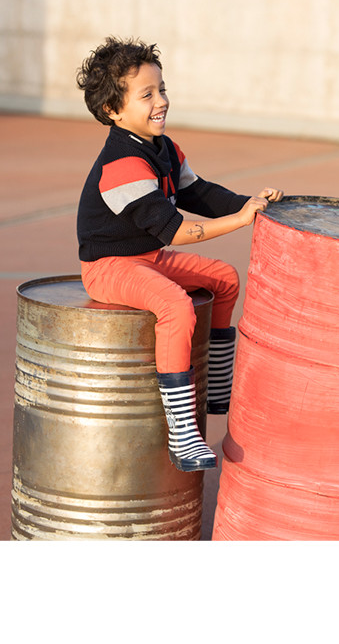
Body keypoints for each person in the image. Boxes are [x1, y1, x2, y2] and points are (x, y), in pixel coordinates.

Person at [76, 36, 283, 471]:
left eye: (162, 89)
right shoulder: (121, 165)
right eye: (146, 95)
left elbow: (199, 193)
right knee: (175, 306)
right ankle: (183, 433)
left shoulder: (164, 148)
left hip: (149, 256)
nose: (161, 101)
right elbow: (176, 230)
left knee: (224, 278)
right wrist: (240, 220)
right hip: (109, 267)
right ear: (113, 110)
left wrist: (253, 204)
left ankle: (217, 387)